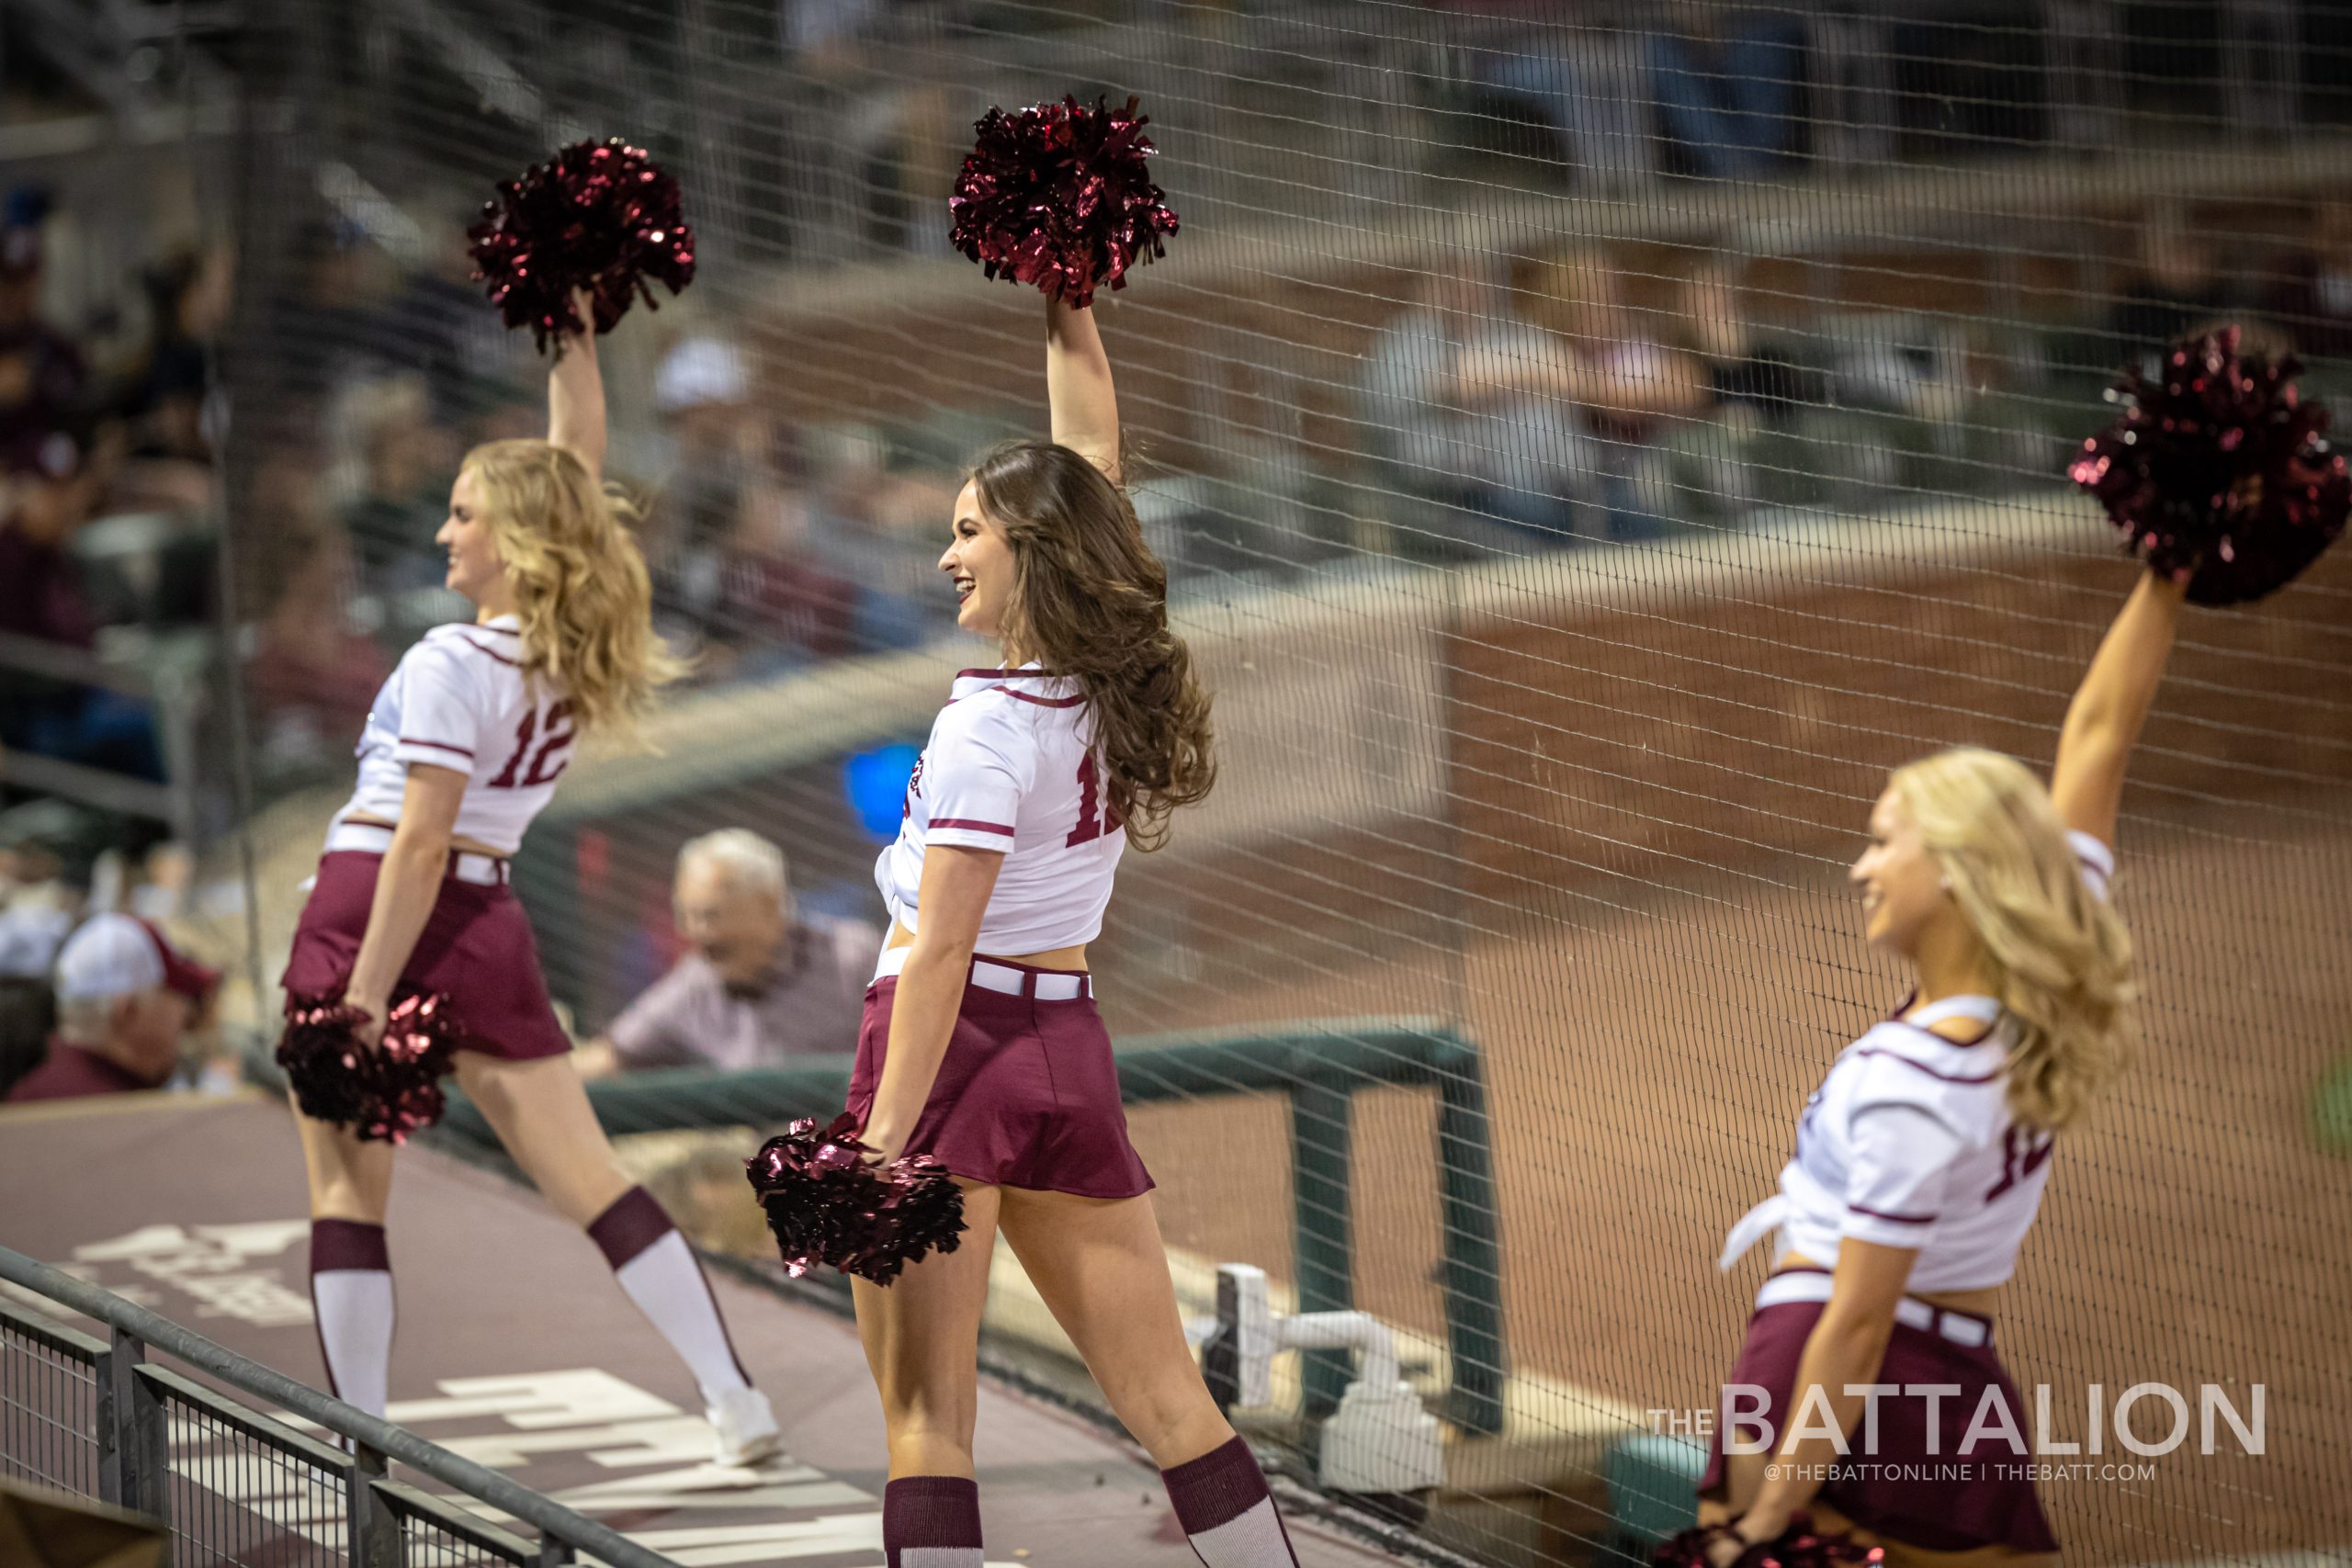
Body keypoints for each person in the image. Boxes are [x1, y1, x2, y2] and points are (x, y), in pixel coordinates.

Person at [276, 304, 783, 1465]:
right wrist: (573, 335)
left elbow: (415, 843)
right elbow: (578, 470)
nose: (446, 534)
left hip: (378, 905)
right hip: (488, 919)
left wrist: (360, 993)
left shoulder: (448, 659)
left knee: (350, 1197)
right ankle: (732, 1397)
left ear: (512, 542)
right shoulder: (562, 654)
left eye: (465, 516)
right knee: (591, 1177)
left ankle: (363, 1445)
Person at [842, 293, 1294, 1568]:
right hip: (1065, 1047)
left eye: (970, 529)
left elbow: (937, 947)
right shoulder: (1107, 676)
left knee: (928, 1416)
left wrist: (882, 1138)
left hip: (953, 1046)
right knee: (1169, 1400)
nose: (948, 555)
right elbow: (1092, 465)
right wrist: (1068, 303)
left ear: (1034, 551)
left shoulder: (986, 723)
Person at [1701, 568, 2187, 1564]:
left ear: (1960, 873)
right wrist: (2167, 574)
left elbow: (1862, 1317)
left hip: (1847, 1371)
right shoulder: (2040, 983)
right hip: (1939, 1374)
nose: (1860, 867)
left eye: (1885, 844)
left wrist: (1770, 1515)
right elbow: (2100, 736)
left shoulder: (1912, 1085)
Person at [573, 829, 880, 1077]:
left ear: (768, 905)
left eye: (711, 915)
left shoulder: (852, 959)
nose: (695, 932)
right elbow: (609, 1056)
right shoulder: (693, 984)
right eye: (686, 915)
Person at [5, 912, 218, 1104]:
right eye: (183, 998)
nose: (188, 1013)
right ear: (129, 1011)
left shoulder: (33, 1094)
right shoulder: (121, 1117)